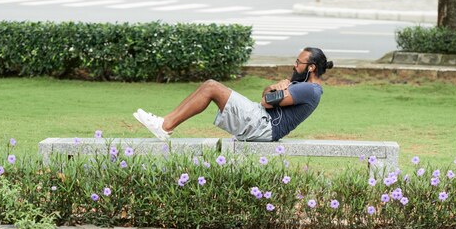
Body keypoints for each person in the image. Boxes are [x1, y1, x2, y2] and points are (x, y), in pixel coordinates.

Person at [133, 47, 333, 142]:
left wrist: (278, 88)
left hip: (264, 125)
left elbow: (267, 102)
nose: (295, 65)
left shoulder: (309, 89)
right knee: (210, 86)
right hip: (261, 120)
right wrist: (276, 86)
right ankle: (165, 123)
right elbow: (266, 94)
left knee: (211, 87)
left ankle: (165, 125)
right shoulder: (300, 85)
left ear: (311, 67)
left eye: (299, 63)